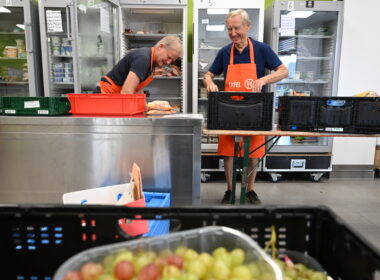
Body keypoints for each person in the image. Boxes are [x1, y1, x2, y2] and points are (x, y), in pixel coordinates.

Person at [203, 9, 288, 204]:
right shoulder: (225, 52)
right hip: (228, 111)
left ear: (248, 26)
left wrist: (264, 79)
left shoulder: (261, 49)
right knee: (228, 153)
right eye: (229, 29)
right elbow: (209, 74)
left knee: (253, 153)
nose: (233, 33)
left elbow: (283, 71)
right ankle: (230, 190)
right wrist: (209, 82)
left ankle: (250, 190)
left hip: (255, 111)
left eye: (237, 28)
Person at [98, 35, 182, 94]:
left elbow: (137, 88)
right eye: (168, 57)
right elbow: (127, 92)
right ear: (161, 47)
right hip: (106, 96)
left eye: (172, 60)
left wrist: (144, 107)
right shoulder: (143, 58)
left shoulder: (151, 61)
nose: (168, 62)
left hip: (115, 97)